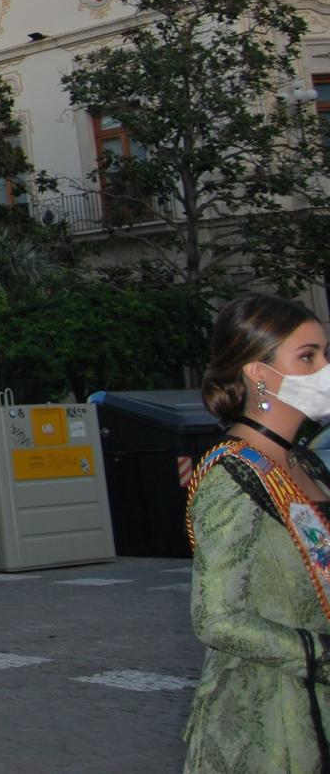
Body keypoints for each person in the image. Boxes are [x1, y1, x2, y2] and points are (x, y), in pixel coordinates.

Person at [182, 294, 330, 769]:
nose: (324, 368)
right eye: (308, 357)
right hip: (270, 723)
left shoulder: (303, 462)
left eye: (326, 354)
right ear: (260, 374)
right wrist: (315, 653)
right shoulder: (231, 475)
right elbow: (217, 618)